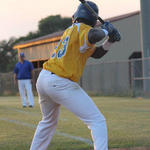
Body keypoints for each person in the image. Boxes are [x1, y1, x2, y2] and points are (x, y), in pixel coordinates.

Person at [30, 1, 121, 150]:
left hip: (44, 80)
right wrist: (106, 31)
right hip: (60, 82)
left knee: (48, 122)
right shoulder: (82, 29)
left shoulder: (72, 30)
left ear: (77, 15)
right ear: (93, 19)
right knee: (97, 121)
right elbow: (93, 35)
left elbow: (96, 53)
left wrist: (110, 41)